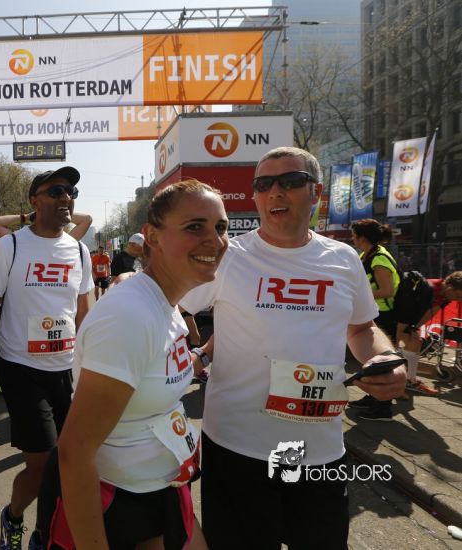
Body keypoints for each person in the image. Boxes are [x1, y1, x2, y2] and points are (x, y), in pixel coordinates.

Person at [178, 147, 406, 549]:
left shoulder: (344, 259)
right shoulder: (227, 257)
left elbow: (361, 328)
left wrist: (383, 357)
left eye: (290, 181)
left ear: (316, 192)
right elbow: (168, 307)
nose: (275, 192)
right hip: (236, 447)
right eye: (263, 184)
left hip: (318, 452)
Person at [37, 180, 224, 550]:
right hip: (116, 503)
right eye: (195, 227)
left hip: (164, 489)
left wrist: (203, 354)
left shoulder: (165, 303)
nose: (215, 241)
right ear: (152, 237)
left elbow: (155, 377)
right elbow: (75, 453)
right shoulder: (130, 315)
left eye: (221, 227)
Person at [0, 166, 93, 550]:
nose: (66, 198)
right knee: (42, 463)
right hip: (21, 369)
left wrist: (93, 372)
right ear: (34, 201)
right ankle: (14, 517)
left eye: (71, 191)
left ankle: (49, 531)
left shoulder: (79, 250)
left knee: (71, 461)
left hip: (67, 371)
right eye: (56, 191)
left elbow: (84, 315)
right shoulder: (9, 246)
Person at [348, 219, 400, 421]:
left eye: (354, 235)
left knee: (381, 362)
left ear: (362, 237)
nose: (352, 239)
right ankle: (373, 397)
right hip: (374, 312)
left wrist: (360, 296)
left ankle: (383, 408)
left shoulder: (379, 258)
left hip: (383, 314)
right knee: (371, 361)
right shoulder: (366, 255)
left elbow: (387, 290)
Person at [388, 271, 462, 396]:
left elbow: (431, 312)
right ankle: (396, 381)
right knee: (401, 344)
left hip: (407, 317)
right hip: (396, 315)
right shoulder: (428, 288)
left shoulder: (446, 296)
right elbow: (406, 308)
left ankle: (409, 380)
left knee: (415, 343)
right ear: (450, 287)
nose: (459, 300)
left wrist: (415, 328)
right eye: (459, 296)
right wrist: (404, 330)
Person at [0, 211, 93, 241]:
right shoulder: (20, 242)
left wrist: (54, 212)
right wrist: (25, 217)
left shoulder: (65, 242)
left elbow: (87, 219)